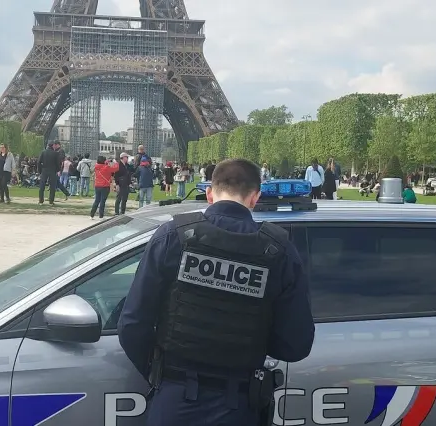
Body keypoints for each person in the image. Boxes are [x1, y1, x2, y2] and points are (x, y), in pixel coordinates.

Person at [117, 159, 314, 426]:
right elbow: (295, 344)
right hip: (238, 405)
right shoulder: (278, 250)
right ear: (255, 197)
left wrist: (160, 373)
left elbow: (132, 324)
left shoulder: (174, 236)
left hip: (175, 399)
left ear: (210, 192)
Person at [90, 155, 117, 220]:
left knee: (97, 200)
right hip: (105, 186)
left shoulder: (96, 167)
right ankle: (101, 215)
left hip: (97, 185)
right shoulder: (106, 167)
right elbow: (115, 169)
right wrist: (115, 162)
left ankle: (92, 215)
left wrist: (106, 162)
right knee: (102, 201)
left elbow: (102, 166)